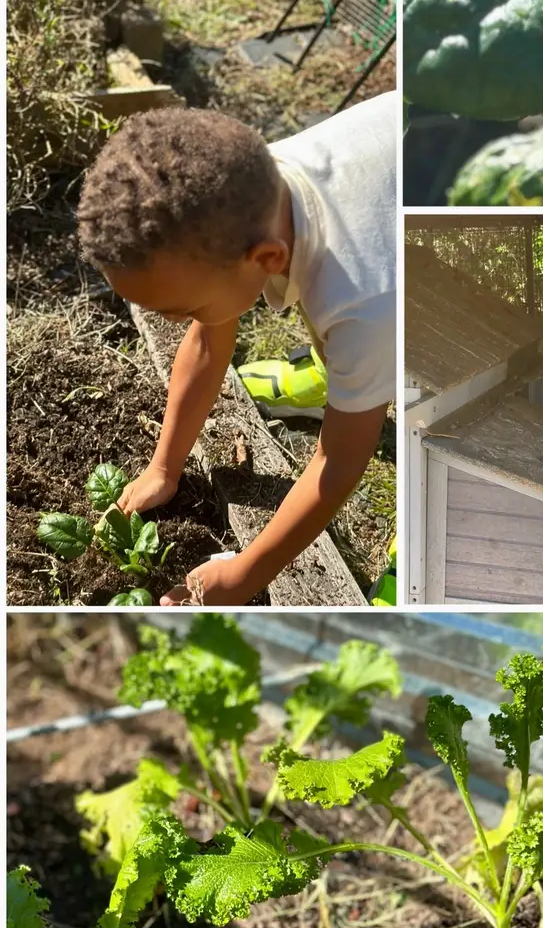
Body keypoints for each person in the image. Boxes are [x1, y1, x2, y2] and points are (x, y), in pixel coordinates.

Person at [76, 92, 397, 606]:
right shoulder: (246, 191)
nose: (176, 321)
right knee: (358, 347)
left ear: (268, 259)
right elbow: (208, 339)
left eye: (185, 309)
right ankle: (341, 373)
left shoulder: (365, 304)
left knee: (443, 398)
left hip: (473, 267)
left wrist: (244, 575)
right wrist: (163, 469)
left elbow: (337, 465)